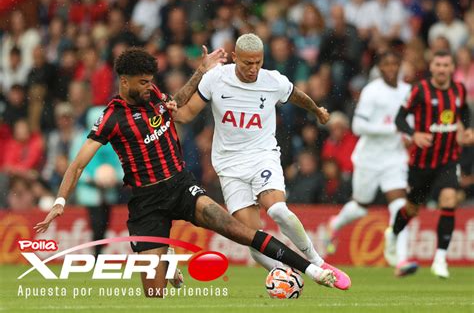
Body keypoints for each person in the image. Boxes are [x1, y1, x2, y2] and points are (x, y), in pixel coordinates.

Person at [34, 47, 337, 298]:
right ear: (124, 82)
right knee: (154, 295)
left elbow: (175, 103)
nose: (148, 86)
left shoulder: (151, 93)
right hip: (147, 202)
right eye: (141, 82)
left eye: (149, 81)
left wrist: (200, 71)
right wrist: (60, 202)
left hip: (181, 187)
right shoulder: (111, 118)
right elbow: (77, 164)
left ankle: (312, 270)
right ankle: (165, 261)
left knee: (239, 231)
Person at [172, 33, 351, 290]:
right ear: (235, 58)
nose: (253, 68)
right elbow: (186, 114)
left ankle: (317, 262)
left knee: (277, 209)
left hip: (262, 156)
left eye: (258, 62)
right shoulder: (216, 78)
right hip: (229, 165)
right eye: (247, 63)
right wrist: (169, 110)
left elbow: (295, 94)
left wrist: (317, 110)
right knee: (251, 237)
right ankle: (286, 276)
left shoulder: (272, 81)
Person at [325, 51, 417, 276]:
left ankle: (402, 260)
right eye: (387, 64)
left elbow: (411, 123)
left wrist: (409, 136)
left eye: (395, 63)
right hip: (369, 159)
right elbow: (357, 126)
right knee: (360, 207)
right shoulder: (372, 92)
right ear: (380, 68)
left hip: (394, 159)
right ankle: (336, 223)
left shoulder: (408, 92)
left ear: (400, 66)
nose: (392, 68)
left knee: (399, 206)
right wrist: (391, 130)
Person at [391, 50, 474, 278]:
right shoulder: (420, 90)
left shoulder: (458, 89)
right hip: (421, 163)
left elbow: (464, 111)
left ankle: (440, 259)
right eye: (438, 65)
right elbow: (400, 117)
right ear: (432, 67)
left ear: (451, 68)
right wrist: (413, 134)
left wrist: (466, 130)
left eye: (446, 65)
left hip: (448, 159)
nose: (441, 69)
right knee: (411, 209)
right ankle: (394, 234)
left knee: (449, 200)